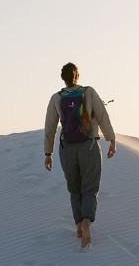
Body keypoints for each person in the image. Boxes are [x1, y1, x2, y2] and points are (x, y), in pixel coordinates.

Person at [44, 62, 116, 249]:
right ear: (77, 76)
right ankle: (86, 222)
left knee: (74, 188)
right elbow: (102, 116)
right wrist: (111, 140)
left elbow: (50, 128)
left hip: (66, 148)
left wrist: (48, 153)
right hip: (89, 145)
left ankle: (78, 225)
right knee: (90, 188)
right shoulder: (89, 92)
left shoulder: (56, 98)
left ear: (63, 78)